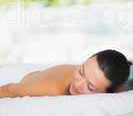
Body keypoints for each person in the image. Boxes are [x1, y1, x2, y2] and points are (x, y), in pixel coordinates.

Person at [0, 49, 131, 98]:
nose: (78, 84)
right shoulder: (53, 89)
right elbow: (11, 89)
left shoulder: (117, 87)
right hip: (25, 80)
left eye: (90, 86)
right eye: (81, 72)